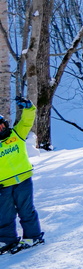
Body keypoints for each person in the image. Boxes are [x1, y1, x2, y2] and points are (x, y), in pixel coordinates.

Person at [0, 97, 42, 254]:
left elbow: (27, 120)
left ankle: (33, 236)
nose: (0, 129)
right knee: (4, 213)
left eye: (1, 125)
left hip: (23, 180)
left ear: (5, 124)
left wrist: (28, 108)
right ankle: (6, 239)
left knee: (26, 209)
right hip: (3, 185)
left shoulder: (16, 134)